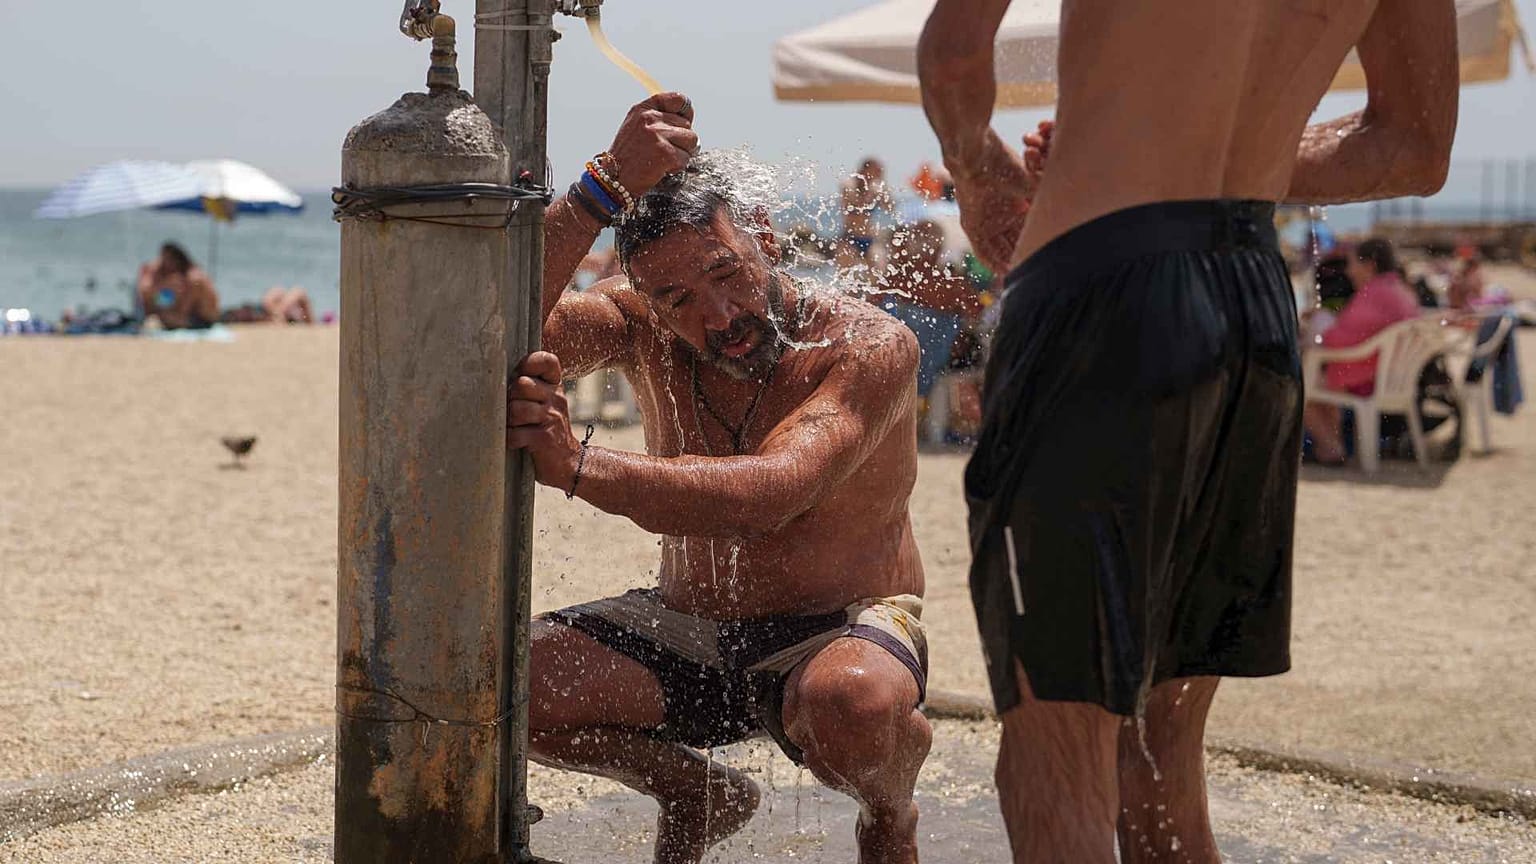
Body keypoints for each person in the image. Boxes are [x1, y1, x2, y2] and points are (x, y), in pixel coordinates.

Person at [917, 2, 1457, 861]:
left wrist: (983, 173)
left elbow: (951, 58)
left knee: (1056, 760)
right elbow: (1415, 147)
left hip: (1100, 292)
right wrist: (1206, 156)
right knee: (1158, 761)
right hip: (1250, 305)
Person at [509, 94, 931, 864]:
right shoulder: (639, 326)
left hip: (839, 626)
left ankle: (888, 809)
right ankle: (695, 791)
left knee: (852, 703)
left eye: (726, 274)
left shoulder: (869, 346)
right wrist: (599, 190)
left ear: (764, 237)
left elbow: (773, 491)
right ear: (646, 296)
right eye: (679, 300)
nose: (719, 314)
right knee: (508, 687)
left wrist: (577, 466)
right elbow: (494, 324)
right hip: (692, 622)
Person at [1302, 239, 1423, 465]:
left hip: (1371, 380)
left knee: (1302, 383)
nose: (1348, 271)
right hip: (1395, 377)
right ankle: (1330, 447)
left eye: (1352, 263)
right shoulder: (1399, 290)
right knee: (1317, 379)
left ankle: (1331, 448)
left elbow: (1336, 340)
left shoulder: (1374, 293)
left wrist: (1315, 333)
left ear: (1370, 264)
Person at [875, 219, 982, 408]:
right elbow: (977, 314)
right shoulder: (950, 285)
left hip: (907, 365)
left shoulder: (897, 281)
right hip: (923, 363)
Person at [136, 242, 219, 330]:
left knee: (168, 318)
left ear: (176, 260)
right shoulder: (179, 275)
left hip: (204, 320)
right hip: (192, 316)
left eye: (166, 260)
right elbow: (145, 290)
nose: (164, 265)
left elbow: (184, 310)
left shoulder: (194, 279)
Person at [837, 157, 895, 272]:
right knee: (846, 273)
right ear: (865, 170)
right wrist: (871, 194)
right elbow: (855, 205)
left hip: (869, 238)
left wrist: (883, 184)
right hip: (850, 238)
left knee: (878, 272)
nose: (876, 175)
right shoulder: (849, 185)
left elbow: (890, 208)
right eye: (876, 171)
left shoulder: (876, 188)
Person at [220, 286, 315, 324]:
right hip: (270, 314)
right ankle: (311, 324)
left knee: (282, 292)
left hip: (266, 313)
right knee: (294, 292)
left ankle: (311, 324)